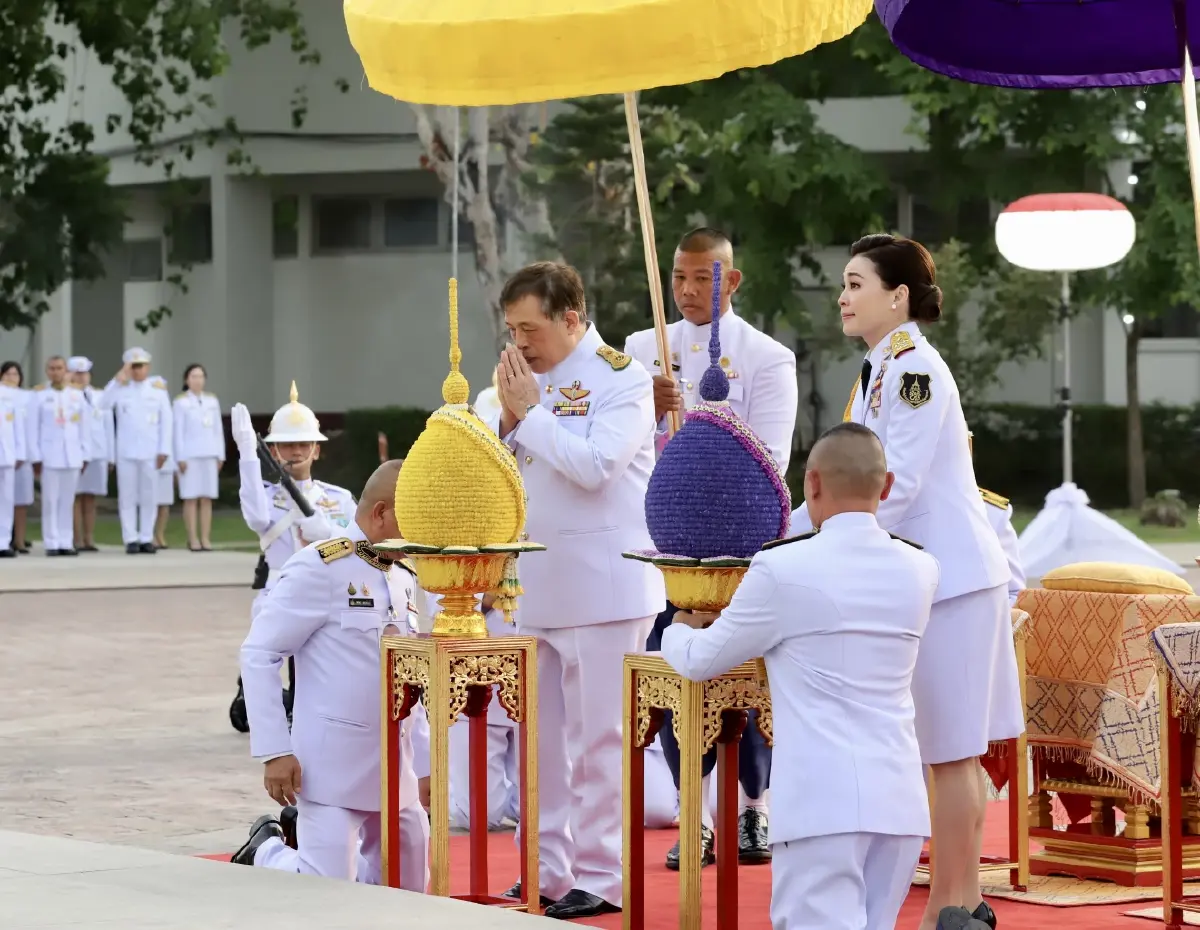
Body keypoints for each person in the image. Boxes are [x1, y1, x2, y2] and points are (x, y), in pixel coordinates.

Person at [791, 235, 1021, 930]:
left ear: (898, 297)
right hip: (918, 579)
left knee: (952, 754)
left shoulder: (916, 369)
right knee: (937, 753)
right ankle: (959, 905)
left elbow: (892, 485)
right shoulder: (879, 370)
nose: (843, 295)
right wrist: (788, 527)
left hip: (948, 581)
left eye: (856, 283)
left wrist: (810, 538)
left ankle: (953, 908)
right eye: (844, 282)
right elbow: (856, 484)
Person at [662, 423, 938, 930]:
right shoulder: (921, 569)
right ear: (888, 485)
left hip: (821, 803)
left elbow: (702, 660)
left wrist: (676, 628)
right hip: (898, 803)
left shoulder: (781, 567)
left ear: (810, 484)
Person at [490, 261, 664, 919]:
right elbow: (505, 471)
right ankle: (545, 869)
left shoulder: (621, 379)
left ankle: (602, 876)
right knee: (538, 744)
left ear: (570, 317)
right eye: (511, 329)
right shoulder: (522, 384)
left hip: (605, 589)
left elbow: (596, 468)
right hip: (537, 583)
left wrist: (529, 416)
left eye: (529, 327)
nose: (520, 342)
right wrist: (507, 423)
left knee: (600, 741)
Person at [624, 227, 798, 869]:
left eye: (705, 277)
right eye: (680, 278)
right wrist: (648, 410)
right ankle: (692, 814)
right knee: (673, 671)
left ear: (733, 279)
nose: (691, 290)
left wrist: (700, 419)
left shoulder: (767, 356)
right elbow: (623, 452)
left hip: (741, 547)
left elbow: (772, 458)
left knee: (748, 682)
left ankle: (755, 809)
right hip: (670, 545)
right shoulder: (644, 350)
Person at [232, 460, 431, 890]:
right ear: (380, 513)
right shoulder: (320, 567)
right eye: (412, 521)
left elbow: (413, 681)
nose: (420, 538)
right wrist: (273, 750)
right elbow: (260, 653)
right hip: (330, 770)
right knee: (327, 893)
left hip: (396, 769)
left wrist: (428, 764)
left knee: (413, 890)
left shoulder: (405, 577)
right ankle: (265, 849)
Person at [448, 596, 521, 832]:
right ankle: (444, 790)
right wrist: (484, 599)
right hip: (476, 692)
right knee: (478, 816)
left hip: (533, 688)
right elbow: (441, 602)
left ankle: (508, 798)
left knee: (539, 812)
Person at [99, 348, 173, 554]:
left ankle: (146, 537)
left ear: (148, 367)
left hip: (150, 451)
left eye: (140, 366)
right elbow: (103, 404)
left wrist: (164, 450)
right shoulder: (120, 389)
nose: (137, 370)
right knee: (128, 497)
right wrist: (117, 379)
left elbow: (166, 422)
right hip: (126, 451)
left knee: (150, 496)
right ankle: (130, 538)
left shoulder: (157, 391)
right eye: (133, 366)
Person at [27, 355, 86, 556]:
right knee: (51, 500)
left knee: (67, 500)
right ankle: (52, 542)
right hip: (49, 454)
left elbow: (83, 426)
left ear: (65, 370)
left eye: (59, 368)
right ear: (47, 371)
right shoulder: (39, 395)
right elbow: (32, 428)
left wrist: (84, 453)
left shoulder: (76, 395)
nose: (56, 372)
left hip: (72, 453)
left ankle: (66, 541)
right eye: (51, 368)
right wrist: (35, 456)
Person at [173, 363, 226, 551]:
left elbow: (217, 429)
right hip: (189, 455)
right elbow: (177, 431)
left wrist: (220, 454)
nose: (197, 380)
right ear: (187, 380)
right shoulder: (180, 402)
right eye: (194, 377)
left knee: (206, 498)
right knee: (190, 497)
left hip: (209, 453)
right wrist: (179, 457)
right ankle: (192, 538)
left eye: (201, 376)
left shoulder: (211, 400)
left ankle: (205, 537)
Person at [68, 357, 114, 552]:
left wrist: (111, 456)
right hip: (75, 453)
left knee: (91, 498)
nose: (81, 377)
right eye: (77, 373)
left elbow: (108, 427)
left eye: (84, 373)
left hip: (98, 452)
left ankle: (89, 538)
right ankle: (76, 538)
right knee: (76, 497)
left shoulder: (99, 396)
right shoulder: (66, 396)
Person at [1, 362, 33, 554]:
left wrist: (20, 454)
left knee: (5, 501)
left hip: (7, 456)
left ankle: (3, 542)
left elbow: (18, 428)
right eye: (7, 375)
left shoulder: (11, 400)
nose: (10, 378)